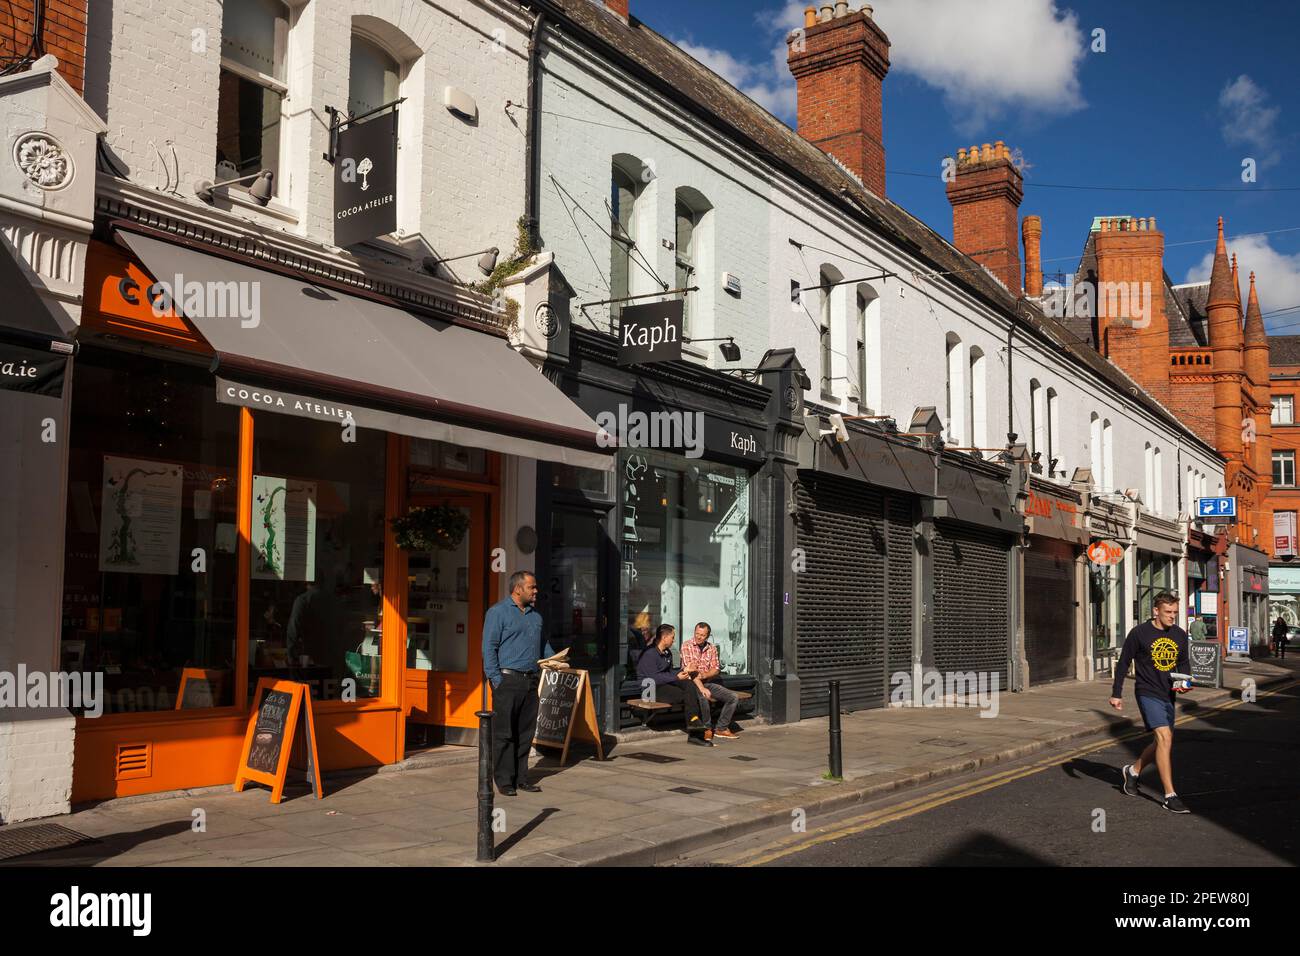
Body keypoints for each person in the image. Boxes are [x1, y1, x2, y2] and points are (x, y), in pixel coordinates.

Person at [1109, 591, 1192, 813]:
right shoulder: (1139, 633)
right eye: (1168, 612)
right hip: (1146, 691)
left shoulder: (1179, 634)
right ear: (1156, 611)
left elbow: (1183, 662)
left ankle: (1133, 771)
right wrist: (1116, 693)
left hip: (1168, 694)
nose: (1172, 616)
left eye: (1175, 612)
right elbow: (1123, 663)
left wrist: (1184, 681)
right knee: (1164, 738)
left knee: (1161, 742)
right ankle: (1170, 796)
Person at [482, 571, 552, 796]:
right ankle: (504, 781)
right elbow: (489, 648)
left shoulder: (536, 616)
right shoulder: (497, 613)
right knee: (504, 734)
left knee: (525, 733)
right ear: (518, 589)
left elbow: (543, 646)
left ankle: (522, 778)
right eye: (532, 587)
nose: (535, 591)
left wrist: (554, 660)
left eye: (535, 587)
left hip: (530, 680)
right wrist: (496, 680)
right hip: (507, 680)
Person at [635, 624, 711, 746]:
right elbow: (653, 677)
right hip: (650, 689)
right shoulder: (649, 653)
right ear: (664, 637)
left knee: (689, 684)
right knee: (686, 695)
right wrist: (676, 677)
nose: (674, 640)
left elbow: (669, 673)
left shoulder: (667, 653)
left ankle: (694, 724)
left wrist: (685, 670)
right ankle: (694, 731)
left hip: (664, 683)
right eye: (672, 637)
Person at [681, 621, 741, 741]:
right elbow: (690, 671)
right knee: (703, 696)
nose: (698, 637)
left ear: (707, 636)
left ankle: (721, 728)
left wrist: (705, 675)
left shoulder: (711, 648)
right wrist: (702, 686)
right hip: (691, 684)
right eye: (697, 633)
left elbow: (716, 669)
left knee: (733, 697)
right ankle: (706, 728)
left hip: (707, 682)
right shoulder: (687, 645)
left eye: (702, 635)